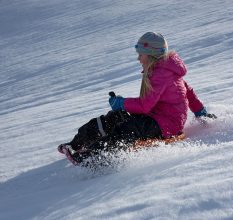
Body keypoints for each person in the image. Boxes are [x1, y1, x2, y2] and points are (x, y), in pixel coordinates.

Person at [58, 32, 216, 166]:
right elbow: (189, 93)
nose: (138, 59)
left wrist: (121, 103)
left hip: (166, 124)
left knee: (127, 128)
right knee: (114, 117)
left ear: (151, 55)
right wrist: (200, 112)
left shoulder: (160, 75)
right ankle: (76, 144)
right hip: (156, 116)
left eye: (141, 54)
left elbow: (144, 105)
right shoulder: (166, 70)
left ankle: (93, 157)